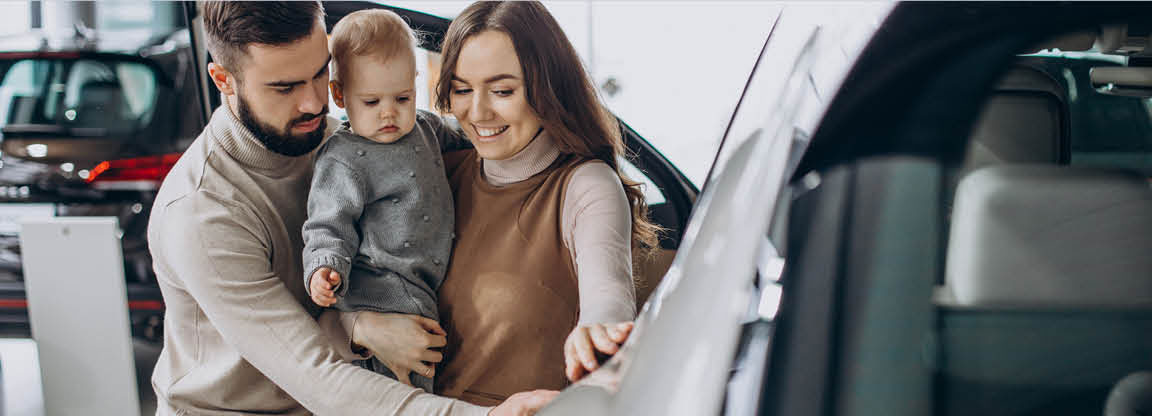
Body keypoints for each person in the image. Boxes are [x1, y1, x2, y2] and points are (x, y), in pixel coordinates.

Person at [147, 1, 554, 414]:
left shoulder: (340, 137)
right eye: (284, 87)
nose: (314, 102)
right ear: (223, 80)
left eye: (321, 72)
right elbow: (313, 374)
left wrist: (357, 325)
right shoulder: (201, 212)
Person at [430, 1, 654, 405]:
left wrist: (602, 331)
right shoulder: (440, 170)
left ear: (546, 88)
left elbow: (608, 296)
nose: (477, 111)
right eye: (462, 89)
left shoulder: (586, 185)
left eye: (502, 91)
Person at [302, 9, 461, 393]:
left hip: (422, 280)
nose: (389, 112)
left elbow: (466, 141)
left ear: (414, 84)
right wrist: (324, 268)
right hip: (380, 289)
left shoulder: (425, 127)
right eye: (371, 102)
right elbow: (328, 224)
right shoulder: (343, 158)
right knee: (404, 376)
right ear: (340, 95)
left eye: (402, 97)